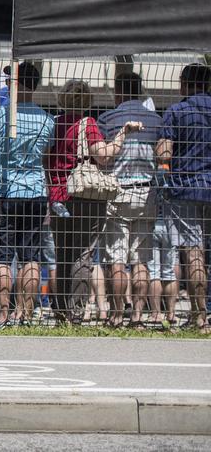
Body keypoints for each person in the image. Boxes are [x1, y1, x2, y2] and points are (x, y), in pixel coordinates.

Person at [45, 79, 138, 325]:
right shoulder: (88, 124)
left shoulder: (54, 124)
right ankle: (76, 311)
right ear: (87, 101)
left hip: (58, 197)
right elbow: (104, 156)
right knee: (83, 254)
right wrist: (122, 134)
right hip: (85, 196)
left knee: (63, 255)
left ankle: (61, 311)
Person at [0, 62, 54, 327]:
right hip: (35, 190)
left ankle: (3, 313)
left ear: (16, 84)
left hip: (5, 190)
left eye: (9, 80)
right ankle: (24, 313)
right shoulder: (47, 120)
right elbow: (46, 157)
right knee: (31, 257)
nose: (6, 84)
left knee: (2, 257)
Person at [97, 72, 157, 329]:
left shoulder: (108, 119)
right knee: (140, 259)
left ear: (117, 91)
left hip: (118, 192)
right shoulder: (155, 120)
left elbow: (102, 158)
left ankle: (117, 314)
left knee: (116, 260)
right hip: (146, 194)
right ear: (140, 90)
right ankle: (138, 317)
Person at [156, 63, 211, 332]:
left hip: (186, 187)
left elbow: (164, 154)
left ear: (183, 84)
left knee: (193, 253)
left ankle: (200, 318)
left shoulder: (176, 111)